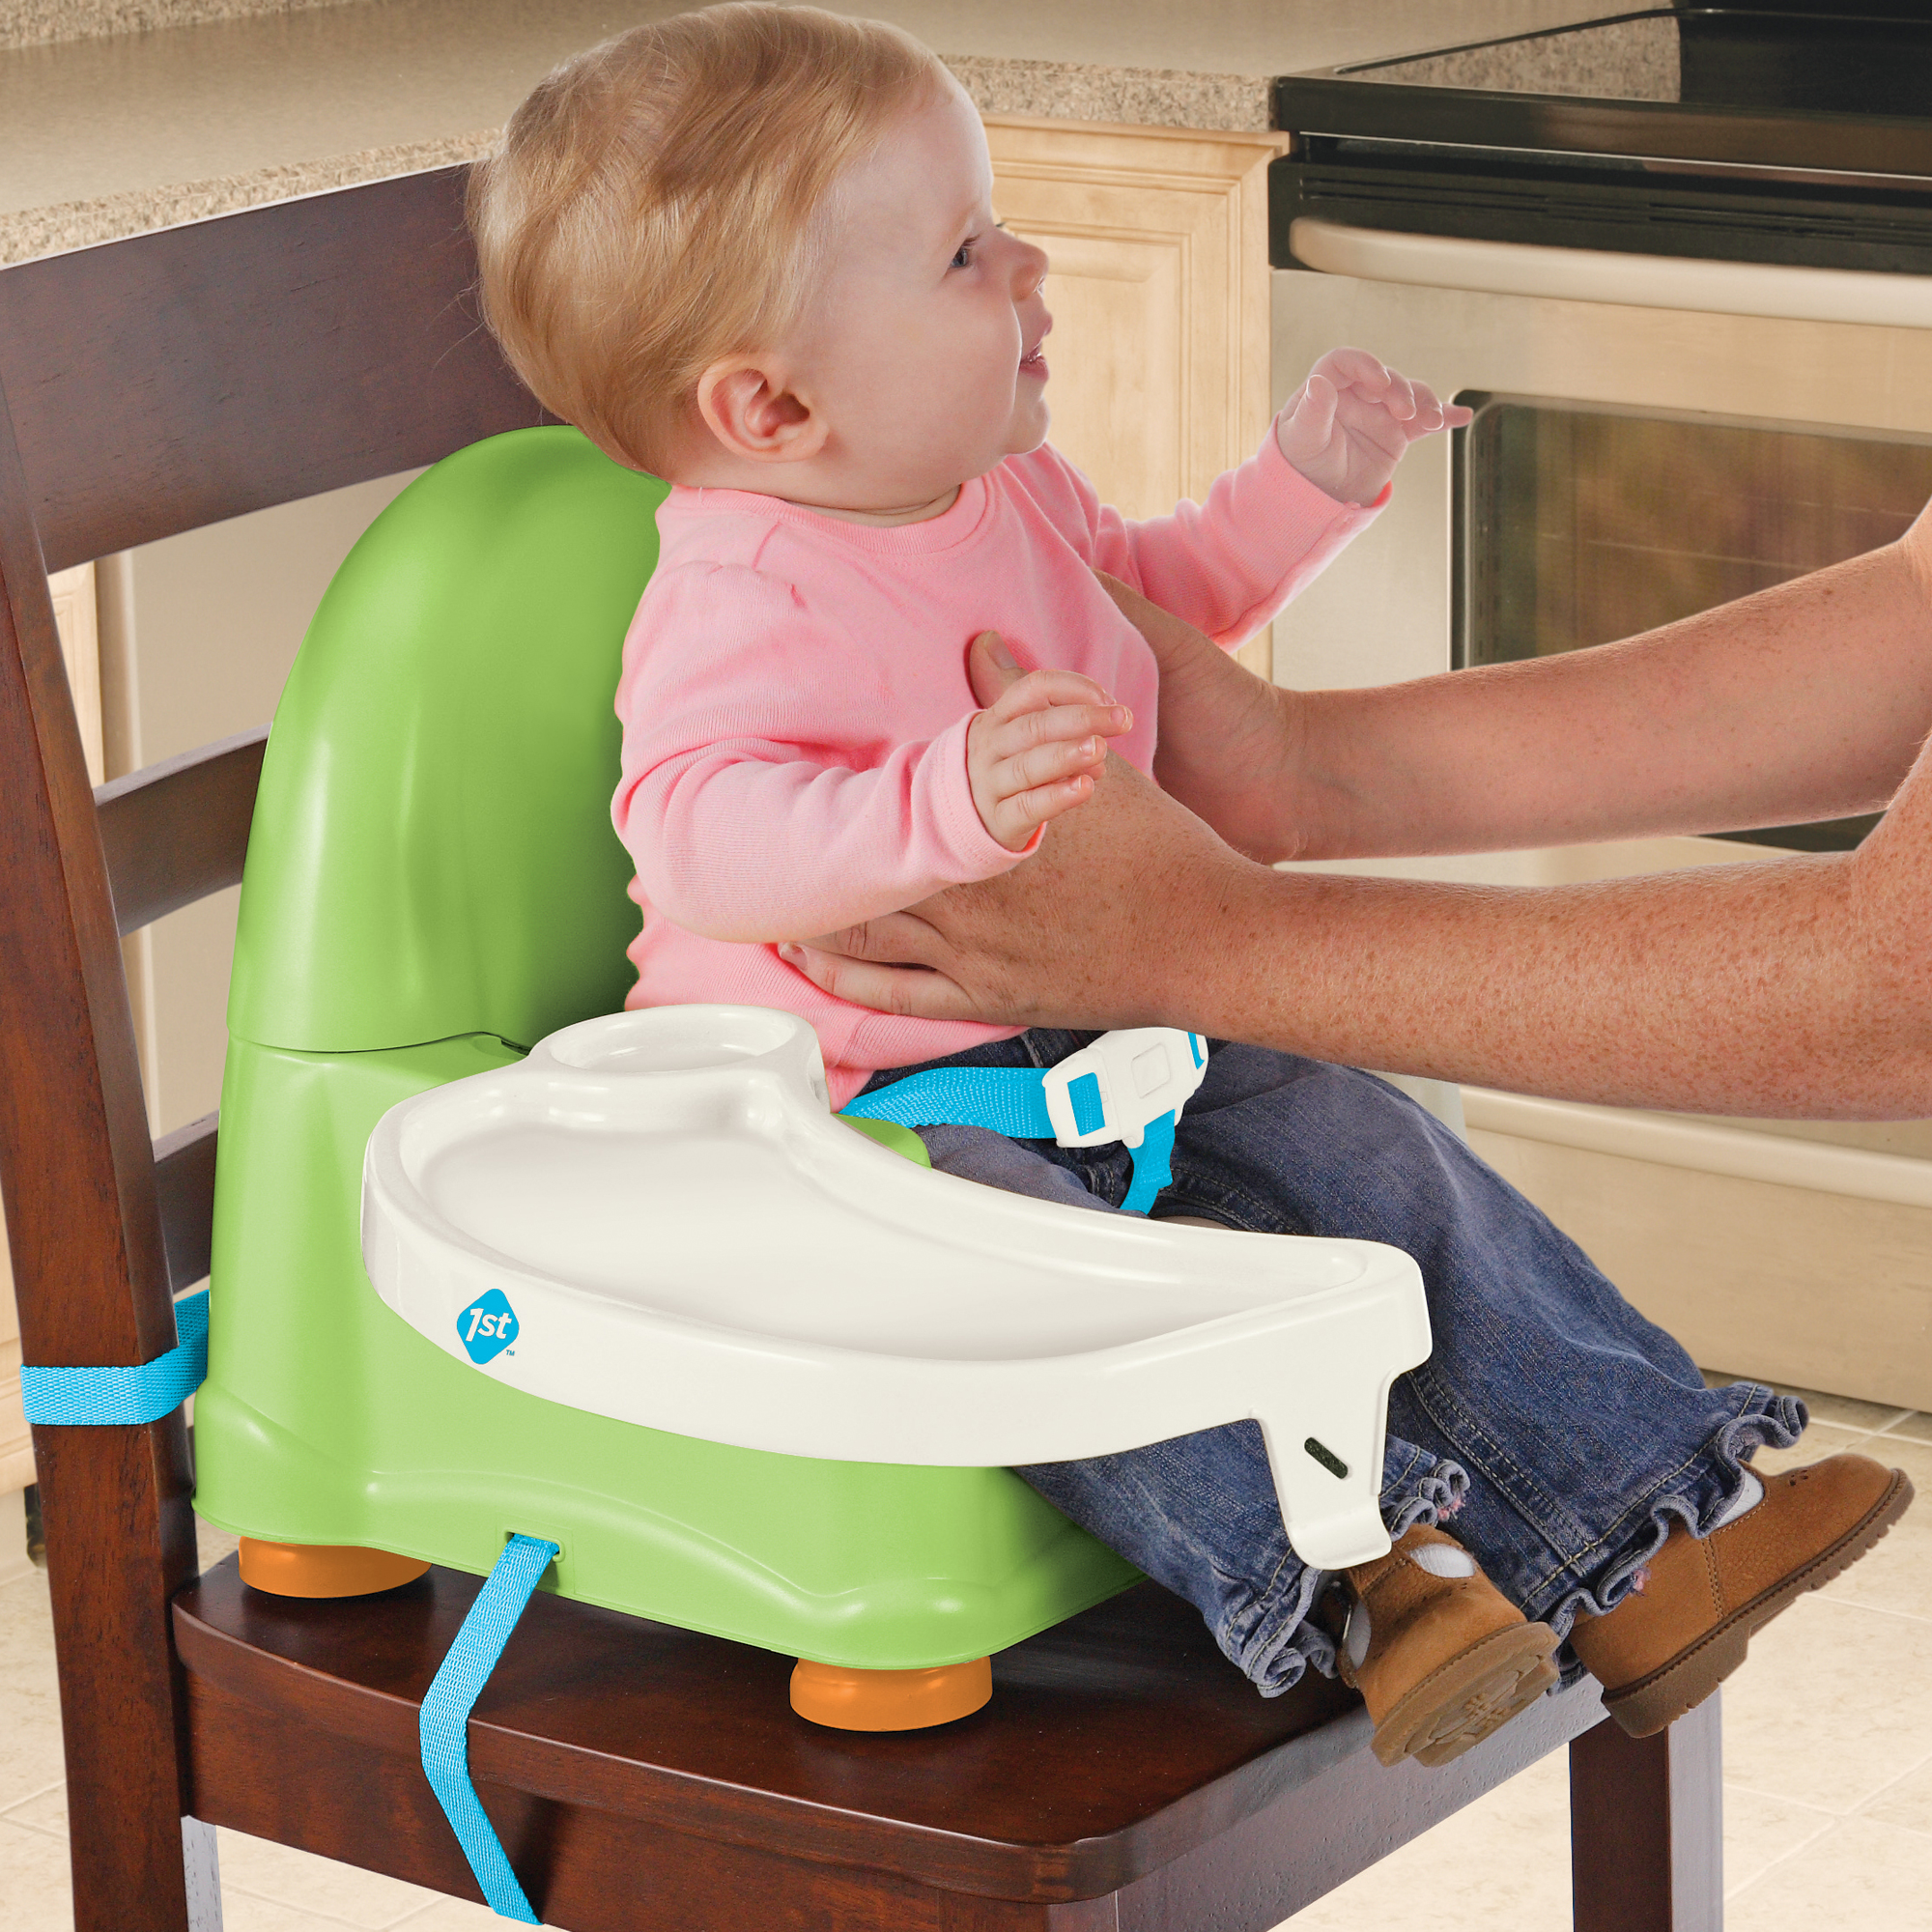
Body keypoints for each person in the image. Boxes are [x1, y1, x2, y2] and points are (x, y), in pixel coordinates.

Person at [466, 2, 1911, 1767]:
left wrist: (1304, 491)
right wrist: (944, 799)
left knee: (1378, 1155)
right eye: (965, 252)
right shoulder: (741, 586)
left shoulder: (999, 489)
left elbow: (1154, 599)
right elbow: (696, 830)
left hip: (1107, 1006)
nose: (1033, 264)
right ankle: (1382, 1579)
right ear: (770, 403)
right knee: (1082, 1303)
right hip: (873, 1104)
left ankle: (1656, 1522)